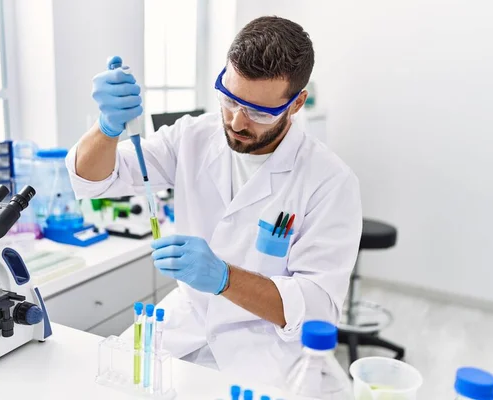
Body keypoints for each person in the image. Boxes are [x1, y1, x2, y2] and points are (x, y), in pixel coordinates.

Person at [66, 16, 362, 385]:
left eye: (258, 112)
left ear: (297, 103)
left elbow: (319, 309)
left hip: (263, 351)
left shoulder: (330, 182)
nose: (237, 121)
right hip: (181, 327)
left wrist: (225, 279)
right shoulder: (192, 136)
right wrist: (106, 128)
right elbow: (94, 180)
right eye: (229, 98)